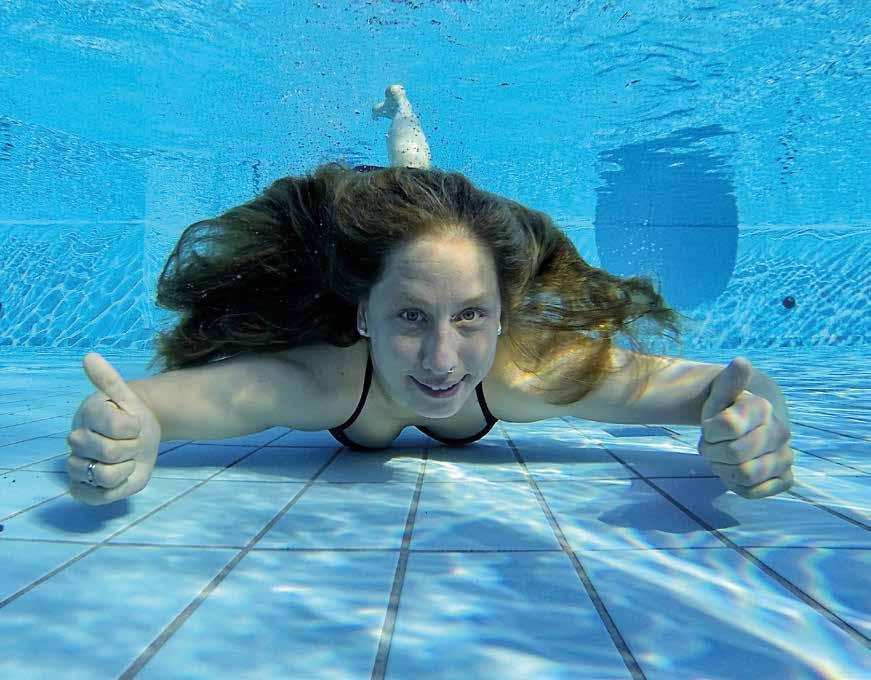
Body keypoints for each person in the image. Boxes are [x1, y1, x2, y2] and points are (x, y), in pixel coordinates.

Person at [66, 84, 795, 505]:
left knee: (417, 171)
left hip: (420, 233)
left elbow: (727, 391)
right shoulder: (319, 380)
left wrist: (756, 424)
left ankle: (403, 114)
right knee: (398, 185)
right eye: (410, 317)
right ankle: (400, 133)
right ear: (362, 314)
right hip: (373, 232)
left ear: (503, 312)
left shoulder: (526, 367)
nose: (443, 360)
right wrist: (123, 437)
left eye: (471, 315)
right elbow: (140, 410)